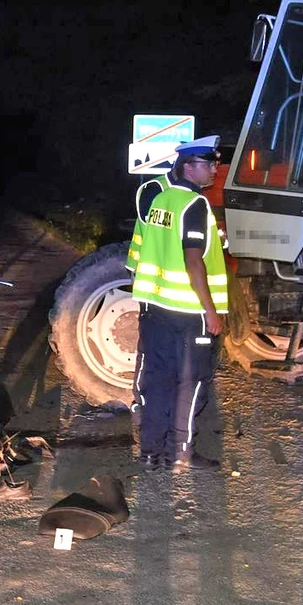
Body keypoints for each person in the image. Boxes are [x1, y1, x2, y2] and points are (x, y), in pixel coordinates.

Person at [124, 135, 228, 471]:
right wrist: (211, 312)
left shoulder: (158, 200)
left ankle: (151, 454)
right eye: (208, 164)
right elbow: (194, 261)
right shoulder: (193, 205)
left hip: (155, 309)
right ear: (188, 166)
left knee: (157, 380)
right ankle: (182, 453)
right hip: (188, 313)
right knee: (190, 383)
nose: (215, 169)